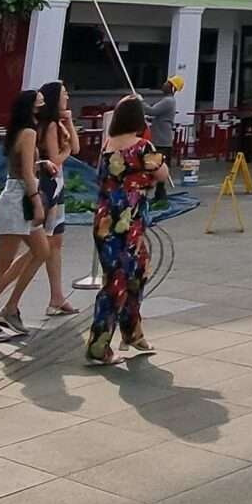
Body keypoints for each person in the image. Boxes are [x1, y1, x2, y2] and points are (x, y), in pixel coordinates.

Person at [87, 94, 171, 369]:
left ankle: (132, 332)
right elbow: (162, 173)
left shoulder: (108, 146)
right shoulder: (143, 147)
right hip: (127, 223)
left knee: (136, 273)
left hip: (105, 220)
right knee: (118, 281)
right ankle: (98, 347)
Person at [0, 90, 44, 344]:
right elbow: (25, 172)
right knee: (2, 263)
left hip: (19, 195)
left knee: (42, 250)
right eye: (39, 101)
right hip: (18, 199)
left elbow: (25, 167)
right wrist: (37, 202)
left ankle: (10, 308)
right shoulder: (28, 133)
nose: (43, 104)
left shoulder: (20, 132)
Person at [37, 81, 80, 319]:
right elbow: (58, 157)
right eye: (64, 94)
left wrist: (70, 121)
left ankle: (57, 295)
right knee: (43, 245)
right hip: (50, 184)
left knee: (55, 244)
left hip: (58, 185)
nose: (67, 97)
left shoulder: (58, 123)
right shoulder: (51, 126)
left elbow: (75, 146)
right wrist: (63, 153)